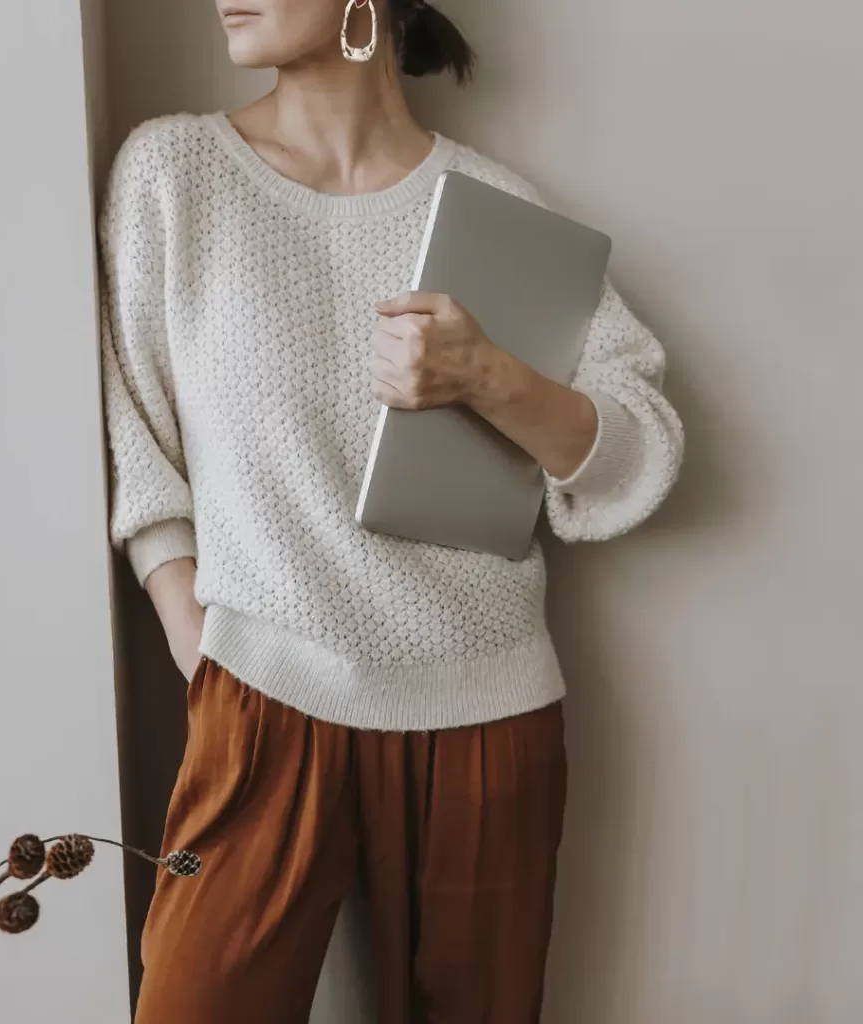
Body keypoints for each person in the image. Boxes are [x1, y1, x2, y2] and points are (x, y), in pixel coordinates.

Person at [99, 0, 683, 1020]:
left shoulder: (497, 210)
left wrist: (489, 377)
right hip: (259, 696)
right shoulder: (172, 174)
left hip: (485, 715)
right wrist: (206, 649)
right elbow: (139, 448)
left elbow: (639, 448)